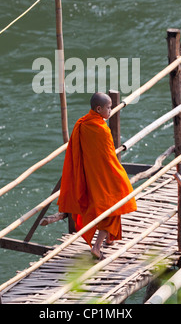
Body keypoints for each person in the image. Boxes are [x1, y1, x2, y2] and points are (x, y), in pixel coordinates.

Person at [58, 92, 137, 260]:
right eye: (108, 108)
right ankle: (97, 246)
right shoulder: (101, 129)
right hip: (103, 176)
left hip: (88, 177)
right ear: (99, 109)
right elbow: (108, 157)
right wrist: (118, 174)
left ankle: (109, 238)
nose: (111, 110)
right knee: (114, 204)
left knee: (103, 206)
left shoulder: (82, 123)